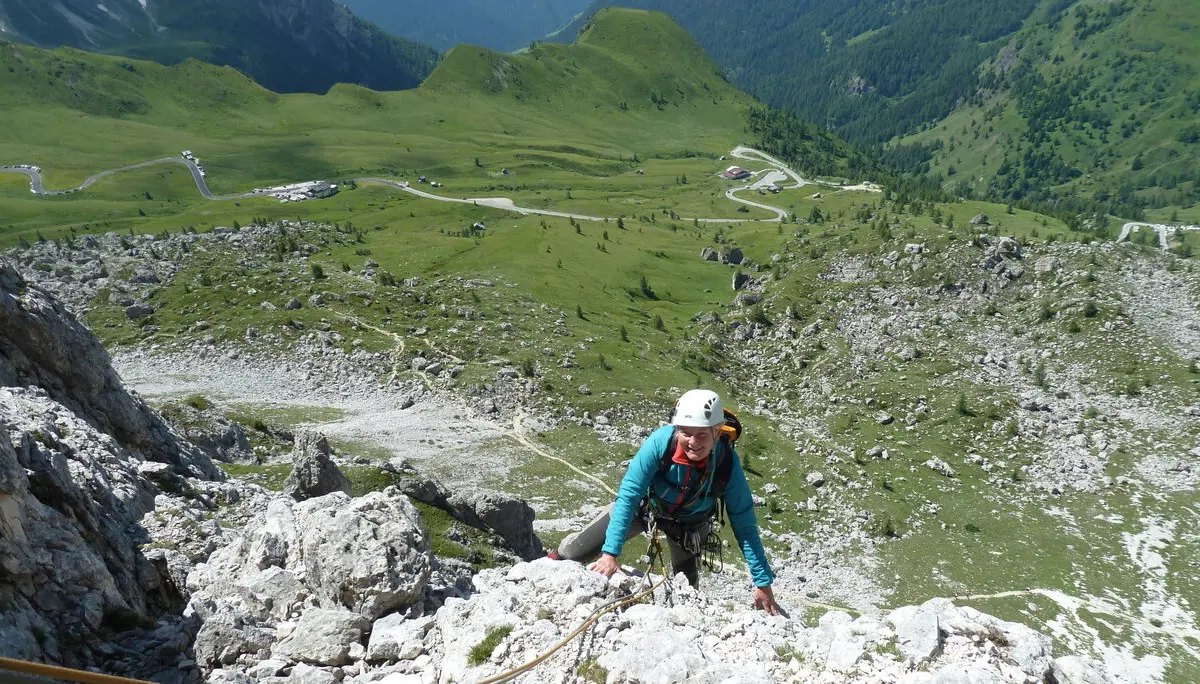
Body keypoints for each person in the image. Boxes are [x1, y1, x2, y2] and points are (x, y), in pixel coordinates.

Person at [549, 389, 781, 615]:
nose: (693, 442)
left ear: (717, 432)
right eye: (685, 433)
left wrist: (762, 583)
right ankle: (550, 560)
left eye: (702, 434)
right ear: (676, 429)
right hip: (645, 510)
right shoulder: (660, 443)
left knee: (687, 588)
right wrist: (610, 554)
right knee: (573, 551)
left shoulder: (726, 463)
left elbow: (744, 524)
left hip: (690, 527)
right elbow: (629, 495)